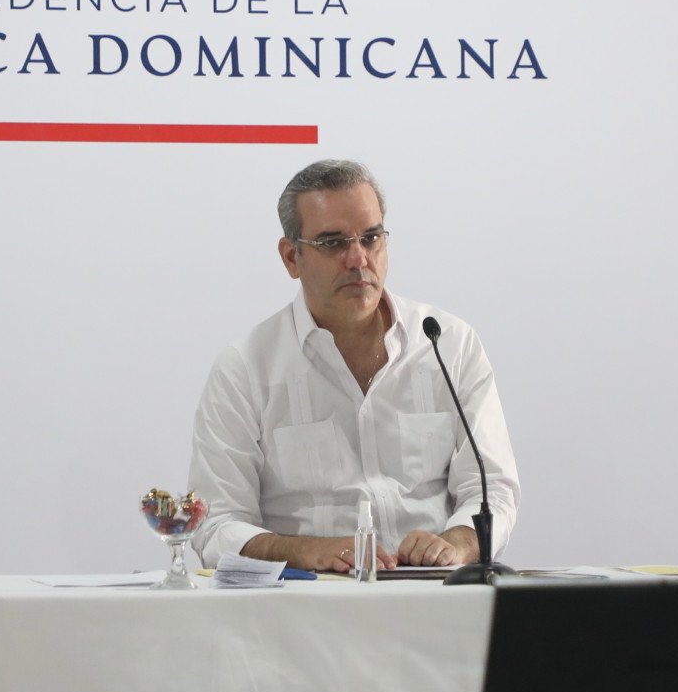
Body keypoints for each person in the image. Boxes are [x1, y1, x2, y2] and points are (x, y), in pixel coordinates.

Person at [187, 160, 519, 573]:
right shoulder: (245, 368)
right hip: (307, 597)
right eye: (332, 243)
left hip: (434, 593)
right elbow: (215, 526)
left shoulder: (448, 343)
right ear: (291, 258)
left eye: (371, 238)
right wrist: (307, 552)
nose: (358, 258)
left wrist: (457, 544)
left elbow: (493, 490)